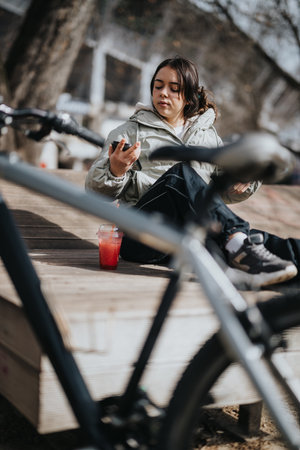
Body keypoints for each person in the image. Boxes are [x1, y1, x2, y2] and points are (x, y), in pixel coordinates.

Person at [86, 56, 298, 288]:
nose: (163, 93)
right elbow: (95, 192)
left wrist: (245, 177)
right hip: (142, 237)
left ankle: (243, 246)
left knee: (277, 249)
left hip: (190, 236)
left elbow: (221, 194)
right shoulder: (128, 131)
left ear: (189, 96)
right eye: (158, 86)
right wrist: (115, 171)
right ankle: (238, 241)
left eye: (173, 89)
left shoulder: (208, 136)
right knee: (180, 175)